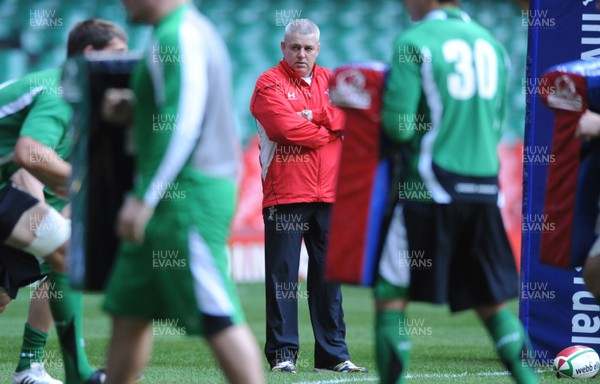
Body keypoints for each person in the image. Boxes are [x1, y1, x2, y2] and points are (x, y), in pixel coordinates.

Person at [100, 1, 265, 383]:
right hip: (172, 196)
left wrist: (144, 198)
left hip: (188, 197)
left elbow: (183, 124)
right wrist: (136, 107)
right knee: (129, 311)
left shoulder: (179, 34)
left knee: (217, 313)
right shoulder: (179, 32)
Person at [377, 1, 538, 383]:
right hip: (484, 191)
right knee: (492, 304)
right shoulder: (493, 45)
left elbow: (399, 126)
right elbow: (497, 124)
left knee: (391, 298)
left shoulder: (414, 41)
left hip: (428, 189)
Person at [0, 18, 128, 384]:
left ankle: (33, 368)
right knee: (64, 249)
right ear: (90, 54)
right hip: (10, 185)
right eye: (117, 54)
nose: (124, 62)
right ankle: (75, 373)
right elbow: (30, 153)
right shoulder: (59, 90)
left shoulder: (72, 94)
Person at [250, 19, 367, 374]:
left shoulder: (334, 81)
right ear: (282, 48)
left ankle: (333, 355)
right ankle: (283, 354)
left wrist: (313, 117)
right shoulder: (268, 82)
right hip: (285, 194)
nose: (301, 54)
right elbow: (282, 127)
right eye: (295, 47)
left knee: (329, 278)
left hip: (330, 194)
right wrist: (326, 132)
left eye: (308, 48)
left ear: (319, 49)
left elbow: (352, 117)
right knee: (283, 278)